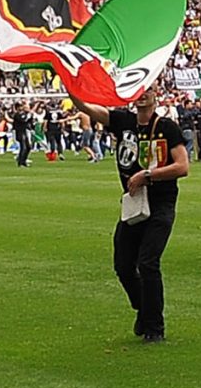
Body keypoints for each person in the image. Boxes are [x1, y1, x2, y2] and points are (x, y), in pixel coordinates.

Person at [78, 88, 190, 341]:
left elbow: (182, 166)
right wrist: (68, 83)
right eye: (139, 90)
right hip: (133, 203)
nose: (143, 95)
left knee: (148, 262)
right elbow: (87, 108)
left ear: (156, 95)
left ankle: (154, 327)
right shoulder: (123, 121)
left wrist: (147, 175)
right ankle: (144, 308)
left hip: (160, 201)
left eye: (148, 90)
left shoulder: (167, 127)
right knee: (123, 265)